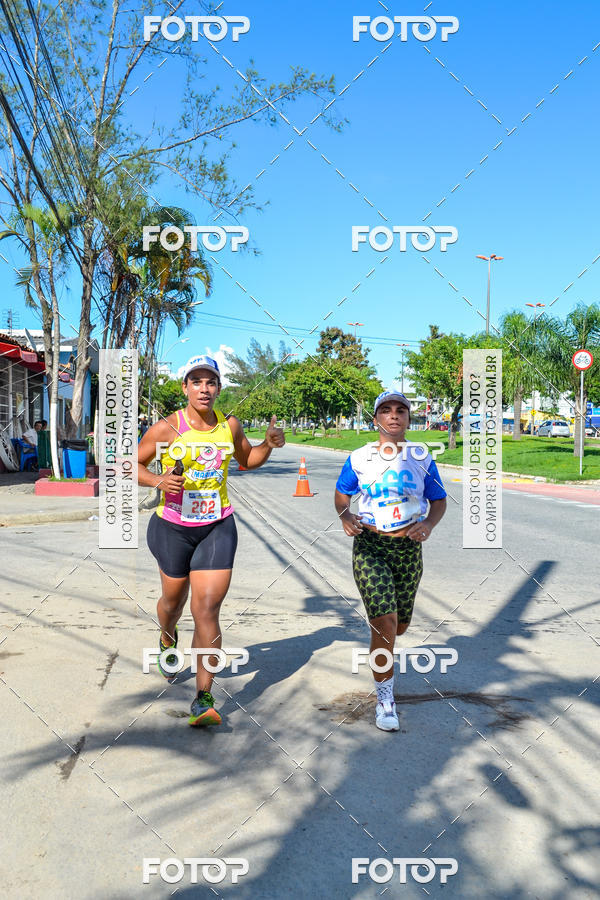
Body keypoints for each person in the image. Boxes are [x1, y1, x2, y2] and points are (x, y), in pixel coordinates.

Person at [137, 354, 285, 727]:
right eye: (197, 382)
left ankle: (203, 697)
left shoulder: (229, 425)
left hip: (217, 525)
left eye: (211, 382)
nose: (205, 389)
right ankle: (167, 639)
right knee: (173, 602)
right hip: (171, 527)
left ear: (219, 388)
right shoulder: (167, 428)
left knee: (206, 609)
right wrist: (157, 481)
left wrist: (267, 444)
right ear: (185, 387)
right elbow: (130, 465)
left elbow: (248, 460)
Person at [334, 390, 447, 732]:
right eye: (386, 410)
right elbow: (342, 495)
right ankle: (385, 699)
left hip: (408, 550)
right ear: (376, 419)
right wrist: (345, 516)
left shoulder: (422, 457)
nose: (394, 415)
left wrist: (427, 523)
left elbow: (438, 500)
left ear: (409, 419)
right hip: (371, 546)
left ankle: (389, 644)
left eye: (401, 410)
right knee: (384, 624)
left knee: (400, 626)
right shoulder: (359, 458)